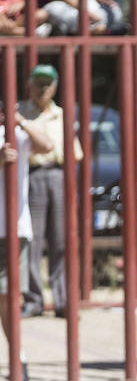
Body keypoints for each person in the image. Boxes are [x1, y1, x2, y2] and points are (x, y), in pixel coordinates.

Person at [19, 64, 84, 319]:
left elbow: (75, 153)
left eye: (47, 83)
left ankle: (62, 300)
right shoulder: (20, 112)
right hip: (31, 175)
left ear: (55, 86)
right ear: (29, 85)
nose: (43, 88)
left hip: (58, 174)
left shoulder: (62, 115)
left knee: (61, 240)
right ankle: (33, 299)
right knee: (30, 240)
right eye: (38, 83)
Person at [0, 103, 52, 381]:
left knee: (9, 296)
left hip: (12, 228)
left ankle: (17, 358)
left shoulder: (16, 133)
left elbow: (47, 146)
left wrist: (19, 120)